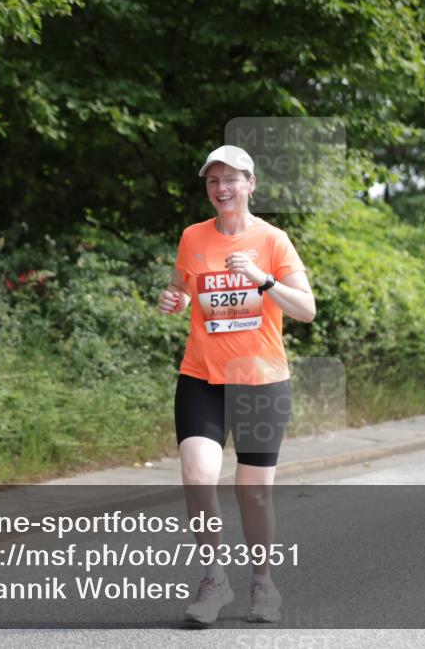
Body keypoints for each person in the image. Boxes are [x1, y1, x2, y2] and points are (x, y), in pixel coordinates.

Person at [157, 145, 316, 624]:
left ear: (251, 184)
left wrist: (264, 280)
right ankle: (214, 579)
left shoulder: (274, 241)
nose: (222, 189)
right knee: (199, 476)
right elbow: (184, 287)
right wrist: (176, 299)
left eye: (231, 180)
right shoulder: (193, 237)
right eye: (213, 181)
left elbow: (306, 310)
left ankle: (263, 585)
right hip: (201, 377)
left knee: (255, 493)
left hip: (261, 383)